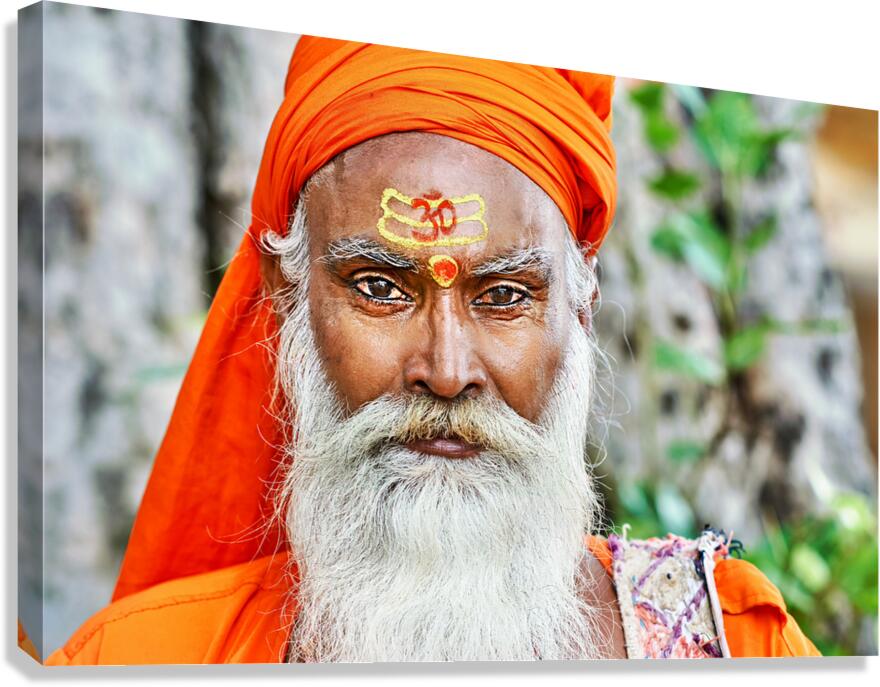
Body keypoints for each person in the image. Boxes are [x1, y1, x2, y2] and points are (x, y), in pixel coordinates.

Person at [42, 36, 818, 665]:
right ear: (287, 298)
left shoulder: (736, 647)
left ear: (582, 303)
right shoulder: (138, 657)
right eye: (380, 287)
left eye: (506, 295)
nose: (445, 370)